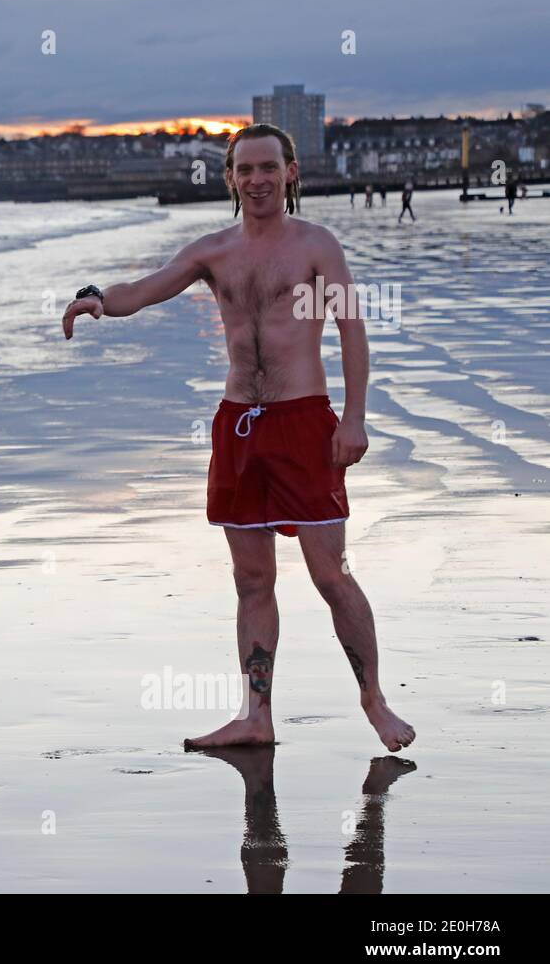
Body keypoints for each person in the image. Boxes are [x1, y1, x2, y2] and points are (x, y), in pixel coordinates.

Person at [61, 123, 415, 753]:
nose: (256, 180)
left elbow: (351, 332)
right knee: (252, 581)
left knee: (329, 573)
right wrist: (95, 299)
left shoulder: (316, 246)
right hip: (239, 427)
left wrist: (354, 418)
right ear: (229, 178)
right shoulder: (213, 252)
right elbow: (142, 290)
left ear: (291, 172)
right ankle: (256, 714)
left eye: (267, 168)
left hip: (304, 422)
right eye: (244, 170)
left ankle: (374, 700)